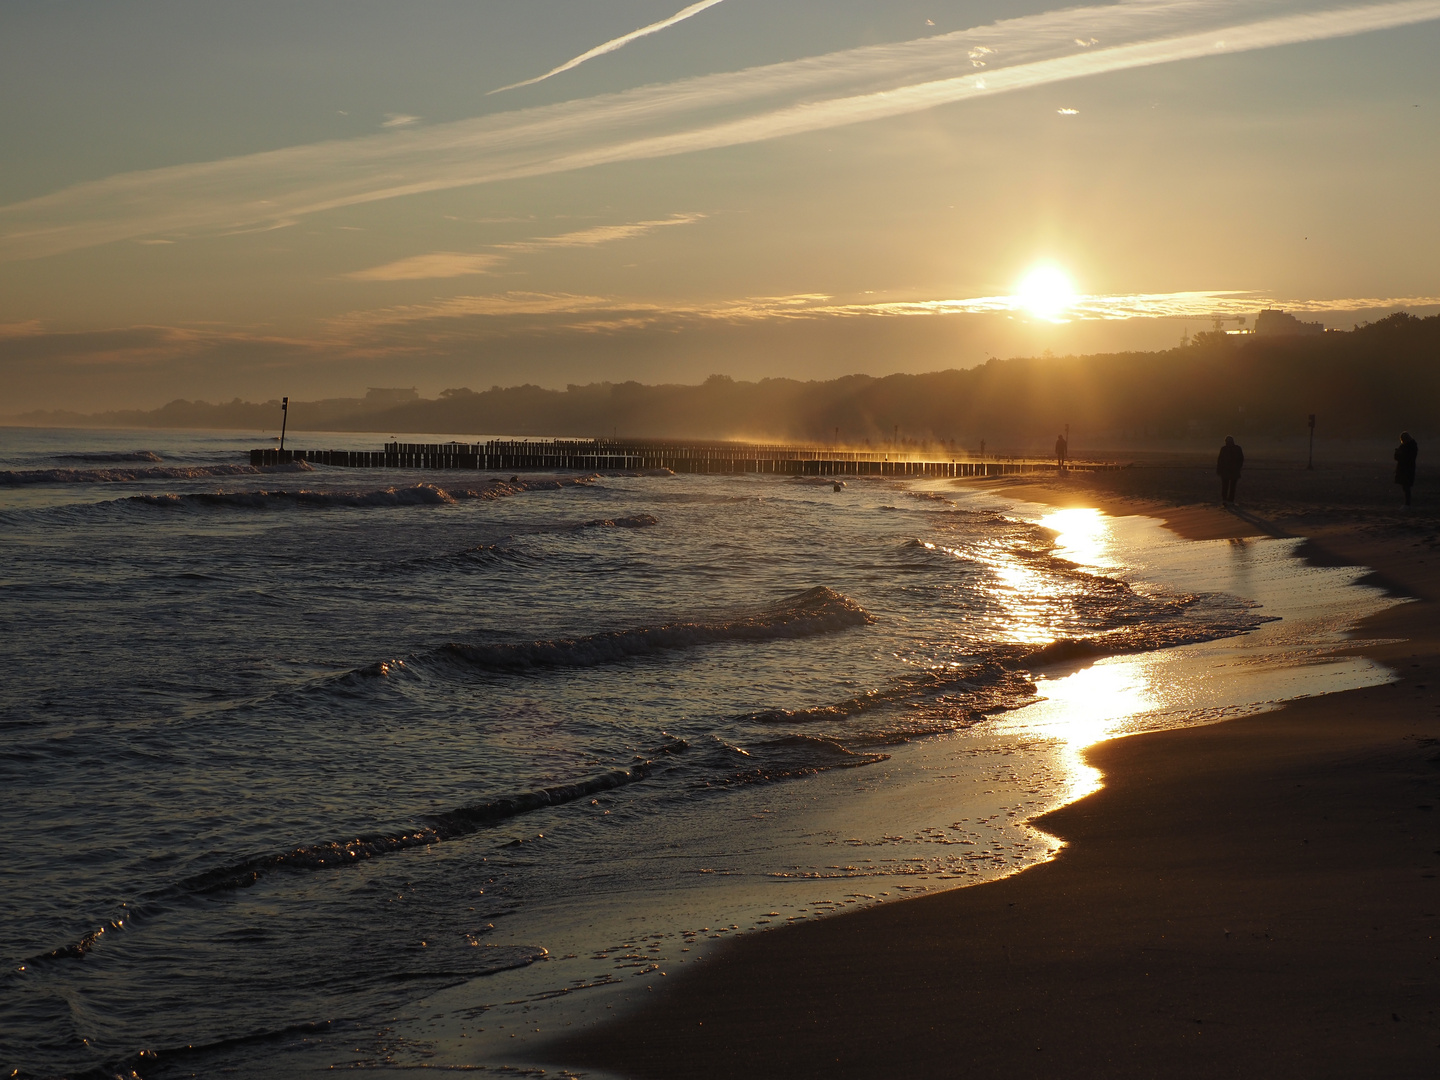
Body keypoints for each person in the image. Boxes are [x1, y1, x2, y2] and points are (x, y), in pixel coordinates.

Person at [1217, 435, 1244, 505]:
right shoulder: (1237, 448)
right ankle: (1230, 500)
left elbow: (1220, 460)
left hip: (1226, 470)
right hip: (1234, 470)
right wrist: (1239, 467)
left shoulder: (1224, 449)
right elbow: (1241, 459)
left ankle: (1225, 499)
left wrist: (1219, 470)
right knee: (1232, 486)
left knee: (1225, 486)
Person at [1394, 431, 1419, 507]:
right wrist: (1398, 453)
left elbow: (1408, 458)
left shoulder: (1411, 446)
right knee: (1405, 487)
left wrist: (1400, 454)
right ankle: (1407, 504)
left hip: (1407, 469)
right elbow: (1396, 457)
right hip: (1405, 469)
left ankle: (1407, 504)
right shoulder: (1407, 446)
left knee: (1406, 487)